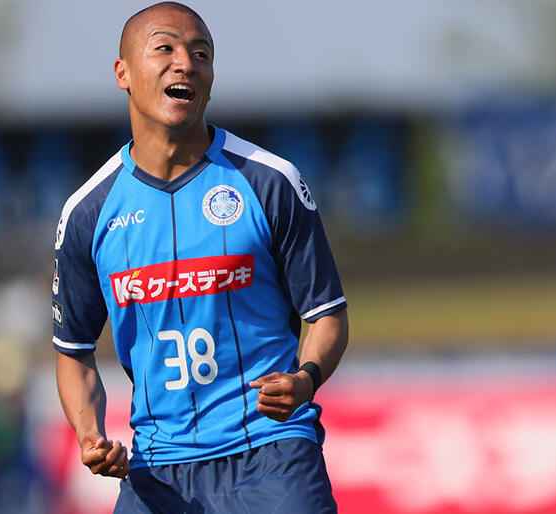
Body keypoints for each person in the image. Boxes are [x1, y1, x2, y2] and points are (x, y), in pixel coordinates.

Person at [52, 2, 348, 512]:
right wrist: (89, 435)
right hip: (157, 467)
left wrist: (306, 379)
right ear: (123, 73)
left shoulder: (269, 181)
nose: (185, 64)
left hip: (272, 455)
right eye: (164, 49)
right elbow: (73, 352)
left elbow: (327, 315)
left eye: (201, 54)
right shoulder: (87, 213)